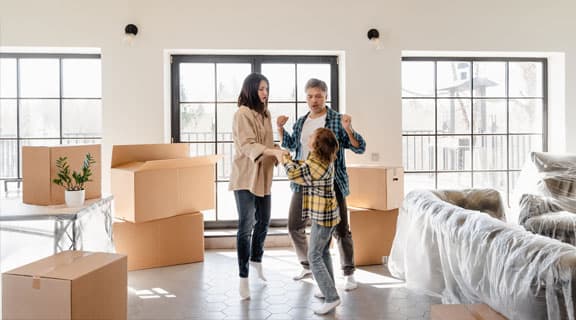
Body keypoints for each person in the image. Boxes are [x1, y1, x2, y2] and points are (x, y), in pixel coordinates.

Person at [277, 78, 366, 291]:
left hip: (331, 183)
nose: (314, 100)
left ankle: (348, 272)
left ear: (326, 96)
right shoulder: (301, 121)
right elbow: (290, 144)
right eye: (310, 96)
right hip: (305, 181)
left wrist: (349, 128)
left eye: (318, 95)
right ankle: (308, 264)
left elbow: (359, 147)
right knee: (294, 225)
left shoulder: (336, 120)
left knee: (341, 228)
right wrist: (280, 128)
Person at [229, 72, 286, 300]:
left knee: (263, 221)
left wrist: (280, 151)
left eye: (267, 89)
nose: (265, 93)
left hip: (263, 175)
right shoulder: (242, 113)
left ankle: (256, 262)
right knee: (246, 226)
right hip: (245, 176)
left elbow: (268, 143)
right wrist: (273, 151)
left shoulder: (266, 114)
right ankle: (243, 278)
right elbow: (247, 145)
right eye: (261, 89)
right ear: (251, 90)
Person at [279, 127, 341, 315]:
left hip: (323, 218)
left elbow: (294, 175)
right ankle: (327, 289)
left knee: (313, 256)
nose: (309, 137)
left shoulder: (317, 165)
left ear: (316, 144)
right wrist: (290, 158)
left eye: (312, 136)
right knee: (323, 253)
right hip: (326, 215)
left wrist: (284, 160)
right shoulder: (321, 159)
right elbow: (305, 164)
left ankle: (332, 297)